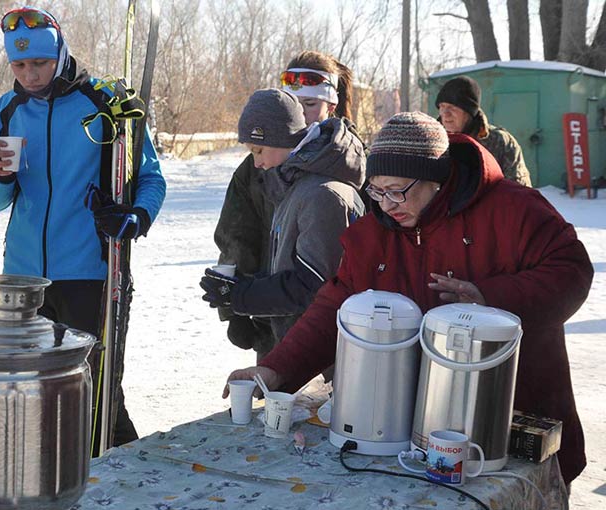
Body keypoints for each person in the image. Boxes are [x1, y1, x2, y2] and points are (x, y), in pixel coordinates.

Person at [224, 111, 592, 487]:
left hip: (513, 417)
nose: (386, 204)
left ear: (436, 178)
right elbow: (333, 307)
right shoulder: (373, 236)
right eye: (377, 190)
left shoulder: (512, 209)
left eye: (398, 190)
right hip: (412, 429)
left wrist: (490, 297)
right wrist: (275, 370)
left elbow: (572, 270)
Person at [0, 7, 166, 454]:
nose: (30, 74)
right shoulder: (9, 109)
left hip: (89, 272)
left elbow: (152, 178)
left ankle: (115, 477)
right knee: (33, 391)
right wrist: (0, 176)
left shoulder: (104, 103)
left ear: (60, 52)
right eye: (19, 65)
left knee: (94, 391)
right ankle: (50, 476)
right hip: (23, 277)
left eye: (39, 63)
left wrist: (135, 216)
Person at [213, 51, 365, 356]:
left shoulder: (343, 169)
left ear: (331, 106)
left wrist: (245, 297)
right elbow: (236, 235)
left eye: (310, 104)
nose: (301, 113)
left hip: (321, 329)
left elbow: (320, 280)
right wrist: (235, 305)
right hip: (269, 313)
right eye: (294, 102)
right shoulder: (261, 164)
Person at [436, 75, 532, 187]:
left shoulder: (500, 143)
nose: (446, 114)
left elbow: (519, 193)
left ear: (469, 112)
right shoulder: (432, 142)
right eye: (442, 106)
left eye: (453, 107)